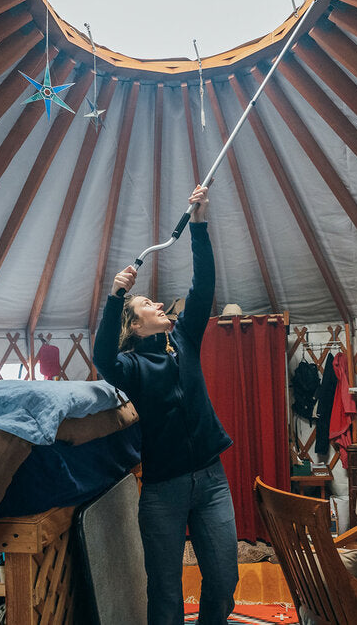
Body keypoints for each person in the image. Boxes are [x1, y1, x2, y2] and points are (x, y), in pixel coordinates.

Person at [92, 184, 238, 625]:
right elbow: (102, 359)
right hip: (163, 490)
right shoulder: (130, 366)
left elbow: (203, 286)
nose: (158, 304)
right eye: (147, 304)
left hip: (211, 479)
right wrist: (116, 296)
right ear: (135, 326)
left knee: (223, 581)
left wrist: (199, 225)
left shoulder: (185, 338)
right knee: (166, 593)